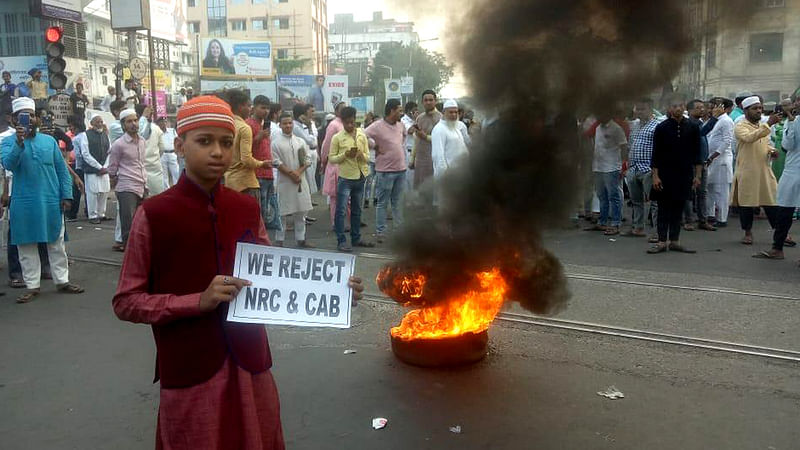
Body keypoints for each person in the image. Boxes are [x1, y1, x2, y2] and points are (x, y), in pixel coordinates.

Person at [113, 95, 365, 449]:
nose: (217, 151)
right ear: (179, 146)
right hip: (190, 369)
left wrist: (336, 292)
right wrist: (195, 302)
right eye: (204, 141)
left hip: (251, 364)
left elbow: (276, 277)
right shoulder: (153, 215)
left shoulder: (246, 208)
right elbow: (127, 301)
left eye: (226, 143)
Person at [1, 97, 84, 303]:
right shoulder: (7, 142)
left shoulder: (49, 142)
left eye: (31, 115)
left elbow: (61, 170)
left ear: (36, 118)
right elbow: (9, 164)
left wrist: (66, 195)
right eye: (22, 116)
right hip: (23, 202)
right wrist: (19, 143)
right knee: (26, 246)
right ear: (13, 120)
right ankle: (32, 285)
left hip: (50, 201)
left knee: (56, 244)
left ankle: (62, 281)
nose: (28, 119)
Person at [648, 95, 703, 254]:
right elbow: (656, 154)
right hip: (665, 173)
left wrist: (697, 175)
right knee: (664, 208)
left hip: (684, 173)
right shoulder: (662, 127)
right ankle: (661, 241)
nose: (677, 108)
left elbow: (697, 154)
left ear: (684, 106)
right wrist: (655, 176)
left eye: (680, 105)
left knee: (678, 208)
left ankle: (675, 241)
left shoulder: (693, 127)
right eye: (674, 106)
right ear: (669, 108)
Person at [731, 96, 782, 245]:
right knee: (746, 203)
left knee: (772, 202)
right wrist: (768, 124)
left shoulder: (761, 126)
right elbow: (749, 138)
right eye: (755, 108)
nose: (759, 111)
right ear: (746, 110)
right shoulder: (740, 125)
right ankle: (747, 233)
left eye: (760, 108)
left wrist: (772, 150)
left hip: (764, 170)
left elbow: (763, 144)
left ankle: (780, 234)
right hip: (747, 170)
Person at [754, 104, 800, 260]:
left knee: (785, 212)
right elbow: (788, 146)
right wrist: (792, 123)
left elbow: (788, 145)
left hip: (794, 171)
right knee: (784, 211)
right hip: (793, 171)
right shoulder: (792, 121)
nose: (796, 104)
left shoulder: (793, 121)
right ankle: (777, 248)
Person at [328, 106, 374, 252]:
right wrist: (345, 155)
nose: (349, 125)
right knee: (340, 211)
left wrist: (361, 155)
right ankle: (341, 241)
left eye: (352, 122)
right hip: (345, 178)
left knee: (357, 210)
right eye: (346, 123)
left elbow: (368, 156)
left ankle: (356, 238)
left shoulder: (361, 134)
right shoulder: (337, 137)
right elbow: (332, 158)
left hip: (361, 176)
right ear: (342, 122)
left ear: (355, 120)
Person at [365, 99, 407, 243]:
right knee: (382, 203)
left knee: (397, 202)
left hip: (401, 170)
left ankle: (399, 230)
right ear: (391, 111)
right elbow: (363, 136)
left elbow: (404, 136)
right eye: (399, 111)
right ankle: (380, 232)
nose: (401, 114)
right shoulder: (376, 126)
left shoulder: (401, 126)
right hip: (385, 171)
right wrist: (374, 146)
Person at [272, 112, 314, 248]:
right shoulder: (275, 143)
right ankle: (279, 241)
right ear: (280, 125)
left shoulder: (300, 141)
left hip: (300, 181)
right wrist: (291, 174)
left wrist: (298, 173)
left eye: (290, 123)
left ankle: (301, 240)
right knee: (282, 214)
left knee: (301, 213)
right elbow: (276, 162)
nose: (288, 125)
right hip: (285, 182)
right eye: (285, 123)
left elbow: (308, 159)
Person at [107, 109, 147, 251]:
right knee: (128, 224)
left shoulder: (142, 141)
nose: (134, 124)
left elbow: (142, 164)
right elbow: (112, 168)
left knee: (142, 222)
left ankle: (140, 252)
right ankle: (130, 256)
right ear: (123, 125)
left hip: (142, 185)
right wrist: (117, 180)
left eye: (135, 120)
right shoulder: (118, 144)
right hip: (126, 187)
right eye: (129, 121)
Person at [683, 99, 723, 231]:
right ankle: (688, 220)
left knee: (702, 193)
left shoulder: (699, 123)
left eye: (702, 107)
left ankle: (703, 220)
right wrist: (715, 118)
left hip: (702, 162)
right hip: (692, 164)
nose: (702, 110)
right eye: (698, 108)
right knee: (689, 193)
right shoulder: (688, 124)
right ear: (689, 111)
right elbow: (702, 132)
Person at [587, 111, 628, 236]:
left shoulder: (616, 129)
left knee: (613, 196)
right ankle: (602, 222)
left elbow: (624, 146)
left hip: (611, 167)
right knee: (601, 196)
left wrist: (623, 164)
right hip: (598, 167)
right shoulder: (598, 128)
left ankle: (615, 223)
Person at [224, 89, 269, 202]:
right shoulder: (244, 128)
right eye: (248, 106)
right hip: (245, 183)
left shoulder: (227, 125)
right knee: (252, 218)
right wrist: (262, 163)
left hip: (229, 181)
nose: (250, 109)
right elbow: (246, 159)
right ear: (240, 107)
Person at [625, 98, 661, 237]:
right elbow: (630, 146)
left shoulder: (657, 126)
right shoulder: (635, 125)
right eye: (637, 109)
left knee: (655, 203)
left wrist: (656, 170)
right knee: (636, 201)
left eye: (642, 109)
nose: (639, 112)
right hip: (633, 169)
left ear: (650, 110)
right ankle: (638, 228)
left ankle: (659, 233)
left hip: (648, 169)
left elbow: (661, 149)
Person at [246, 95, 276, 227]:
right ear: (254, 108)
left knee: (267, 211)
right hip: (257, 174)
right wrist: (258, 137)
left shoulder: (263, 125)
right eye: (262, 108)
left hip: (268, 172)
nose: (266, 111)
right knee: (259, 213)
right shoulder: (248, 125)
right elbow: (243, 150)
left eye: (268, 108)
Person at [706, 97, 736, 227]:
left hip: (721, 159)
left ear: (722, 107)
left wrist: (713, 155)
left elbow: (727, 141)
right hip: (711, 159)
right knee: (710, 187)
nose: (711, 109)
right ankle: (710, 215)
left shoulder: (727, 121)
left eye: (715, 106)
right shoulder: (714, 121)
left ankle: (722, 218)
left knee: (722, 190)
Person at [78, 114, 111, 224]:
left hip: (104, 169)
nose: (100, 124)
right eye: (97, 122)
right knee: (92, 193)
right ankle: (92, 215)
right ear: (91, 123)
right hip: (92, 169)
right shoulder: (85, 135)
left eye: (101, 122)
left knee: (104, 191)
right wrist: (98, 167)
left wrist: (105, 167)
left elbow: (110, 152)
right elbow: (85, 154)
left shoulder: (105, 135)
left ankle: (101, 214)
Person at [321, 102, 348, 227]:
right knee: (336, 198)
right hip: (335, 164)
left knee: (347, 197)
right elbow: (327, 144)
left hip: (348, 165)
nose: (345, 111)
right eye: (342, 109)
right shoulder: (333, 125)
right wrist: (323, 160)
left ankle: (347, 223)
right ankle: (336, 224)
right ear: (336, 111)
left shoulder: (347, 124)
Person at [431, 99, 470, 181]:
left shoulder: (455, 127)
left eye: (456, 112)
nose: (454, 115)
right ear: (443, 112)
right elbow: (438, 157)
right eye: (451, 112)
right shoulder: (439, 129)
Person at [411, 90, 442, 191]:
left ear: (435, 101)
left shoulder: (441, 118)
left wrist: (426, 137)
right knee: (420, 190)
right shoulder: (419, 118)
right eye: (426, 100)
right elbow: (416, 140)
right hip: (420, 159)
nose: (428, 102)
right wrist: (412, 159)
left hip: (434, 159)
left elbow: (442, 139)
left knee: (432, 191)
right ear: (422, 102)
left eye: (431, 100)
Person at [769, 98, 793, 181]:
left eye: (787, 105)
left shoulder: (795, 119)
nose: (785, 108)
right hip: (779, 147)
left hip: (792, 150)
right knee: (778, 171)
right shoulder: (775, 121)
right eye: (783, 106)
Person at [144, 114, 166, 197]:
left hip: (139, 166)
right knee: (157, 196)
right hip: (154, 165)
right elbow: (162, 148)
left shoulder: (133, 127)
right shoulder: (156, 128)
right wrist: (155, 157)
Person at [401, 101, 419, 193]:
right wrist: (416, 120)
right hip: (409, 152)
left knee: (416, 179)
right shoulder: (404, 120)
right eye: (414, 111)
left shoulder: (414, 120)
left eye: (417, 110)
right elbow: (411, 130)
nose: (416, 112)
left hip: (418, 152)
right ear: (408, 111)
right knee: (409, 178)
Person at [159, 117, 180, 189]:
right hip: (162, 154)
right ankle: (166, 190)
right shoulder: (158, 132)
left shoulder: (172, 131)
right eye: (162, 122)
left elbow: (177, 141)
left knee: (176, 172)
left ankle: (177, 188)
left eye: (165, 121)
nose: (164, 123)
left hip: (172, 153)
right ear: (159, 123)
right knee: (164, 174)